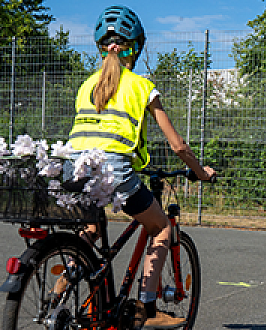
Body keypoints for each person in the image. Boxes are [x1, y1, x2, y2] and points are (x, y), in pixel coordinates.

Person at [65, 5, 216, 329]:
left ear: (100, 47)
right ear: (137, 46)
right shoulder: (141, 86)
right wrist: (201, 172)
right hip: (114, 172)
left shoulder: (86, 86)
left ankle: (57, 293)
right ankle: (147, 308)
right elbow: (178, 146)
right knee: (160, 226)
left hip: (74, 170)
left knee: (90, 232)